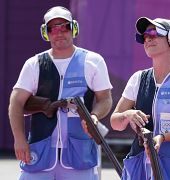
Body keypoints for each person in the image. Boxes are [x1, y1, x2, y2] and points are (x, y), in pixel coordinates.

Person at [8, 6, 113, 180]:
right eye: (53, 28)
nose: (59, 32)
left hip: (79, 155)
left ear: (74, 28)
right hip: (39, 154)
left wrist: (94, 116)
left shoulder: (93, 61)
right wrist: (19, 139)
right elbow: (16, 102)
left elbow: (105, 99)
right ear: (45, 33)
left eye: (65, 26)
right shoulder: (34, 64)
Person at [110, 17, 170, 180]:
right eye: (145, 36)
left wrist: (163, 137)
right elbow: (115, 122)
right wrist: (127, 115)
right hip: (139, 166)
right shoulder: (138, 78)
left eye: (153, 33)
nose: (148, 39)